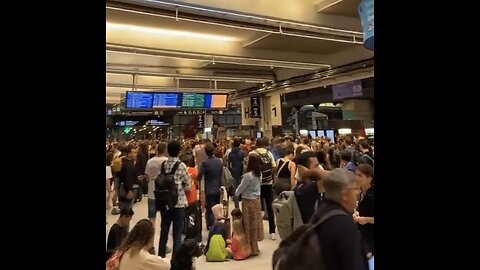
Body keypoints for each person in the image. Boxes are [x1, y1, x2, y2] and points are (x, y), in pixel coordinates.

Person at [310, 168, 367, 270]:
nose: (358, 192)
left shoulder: (321, 212)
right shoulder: (345, 225)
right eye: (355, 189)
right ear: (344, 195)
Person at [158, 140, 191, 261]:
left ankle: (160, 257)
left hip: (164, 202)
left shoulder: (163, 165)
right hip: (178, 202)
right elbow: (188, 184)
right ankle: (175, 261)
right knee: (177, 234)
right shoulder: (181, 165)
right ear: (179, 151)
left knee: (164, 231)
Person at [235, 154, 264, 256]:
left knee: (248, 223)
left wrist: (236, 193)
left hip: (248, 201)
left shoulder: (248, 176)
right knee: (255, 222)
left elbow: (241, 187)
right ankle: (255, 246)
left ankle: (252, 247)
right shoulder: (259, 174)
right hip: (257, 200)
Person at [250, 137, 277, 240]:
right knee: (270, 207)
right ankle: (272, 231)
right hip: (268, 183)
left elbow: (249, 169)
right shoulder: (269, 154)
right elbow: (274, 167)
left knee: (256, 207)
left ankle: (256, 231)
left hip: (256, 184)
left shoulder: (253, 153)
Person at [197, 143, 223, 230]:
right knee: (218, 206)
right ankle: (218, 223)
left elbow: (199, 176)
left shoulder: (205, 163)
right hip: (218, 186)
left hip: (209, 188)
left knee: (210, 208)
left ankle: (211, 225)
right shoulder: (219, 161)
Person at [294, 151, 323, 224]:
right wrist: (309, 173)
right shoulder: (309, 188)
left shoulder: (301, 186)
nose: (319, 169)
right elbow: (338, 177)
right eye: (316, 166)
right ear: (304, 169)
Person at [354, 164, 374, 258]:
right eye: (356, 174)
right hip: (362, 234)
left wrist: (366, 219)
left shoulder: (372, 195)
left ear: (369, 179)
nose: (356, 178)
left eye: (360, 175)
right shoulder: (362, 192)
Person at [118, 146, 138, 229]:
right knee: (126, 214)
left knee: (124, 213)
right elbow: (127, 178)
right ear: (129, 153)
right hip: (127, 191)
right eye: (134, 152)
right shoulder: (128, 164)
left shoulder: (125, 162)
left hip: (123, 190)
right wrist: (129, 190)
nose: (135, 154)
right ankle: (124, 234)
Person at [227, 138, 245, 208]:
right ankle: (241, 196)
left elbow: (229, 163)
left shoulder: (230, 153)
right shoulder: (242, 152)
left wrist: (230, 169)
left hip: (233, 170)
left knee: (235, 185)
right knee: (241, 183)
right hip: (241, 169)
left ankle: (236, 202)